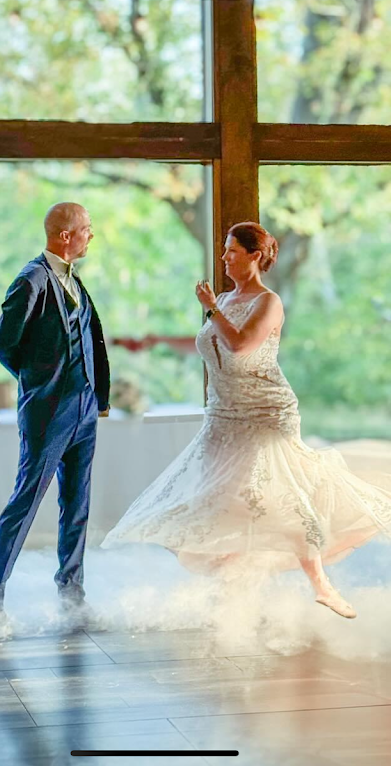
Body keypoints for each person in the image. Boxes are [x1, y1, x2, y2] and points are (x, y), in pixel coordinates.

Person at [103, 221, 391, 619]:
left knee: (281, 498)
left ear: (254, 256)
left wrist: (211, 307)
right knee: (219, 500)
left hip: (265, 415)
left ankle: (321, 584)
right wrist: (158, 341)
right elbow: (211, 339)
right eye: (224, 250)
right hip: (223, 414)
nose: (224, 258)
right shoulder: (224, 298)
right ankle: (236, 590)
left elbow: (239, 345)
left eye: (232, 251)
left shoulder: (268, 302)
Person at [0, 202, 110, 613]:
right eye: (87, 228)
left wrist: (96, 396)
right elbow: (2, 344)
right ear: (66, 235)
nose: (91, 234)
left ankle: (72, 596)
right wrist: (40, 381)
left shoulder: (73, 277)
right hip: (49, 413)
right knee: (25, 503)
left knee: (77, 506)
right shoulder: (31, 279)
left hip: (84, 409)